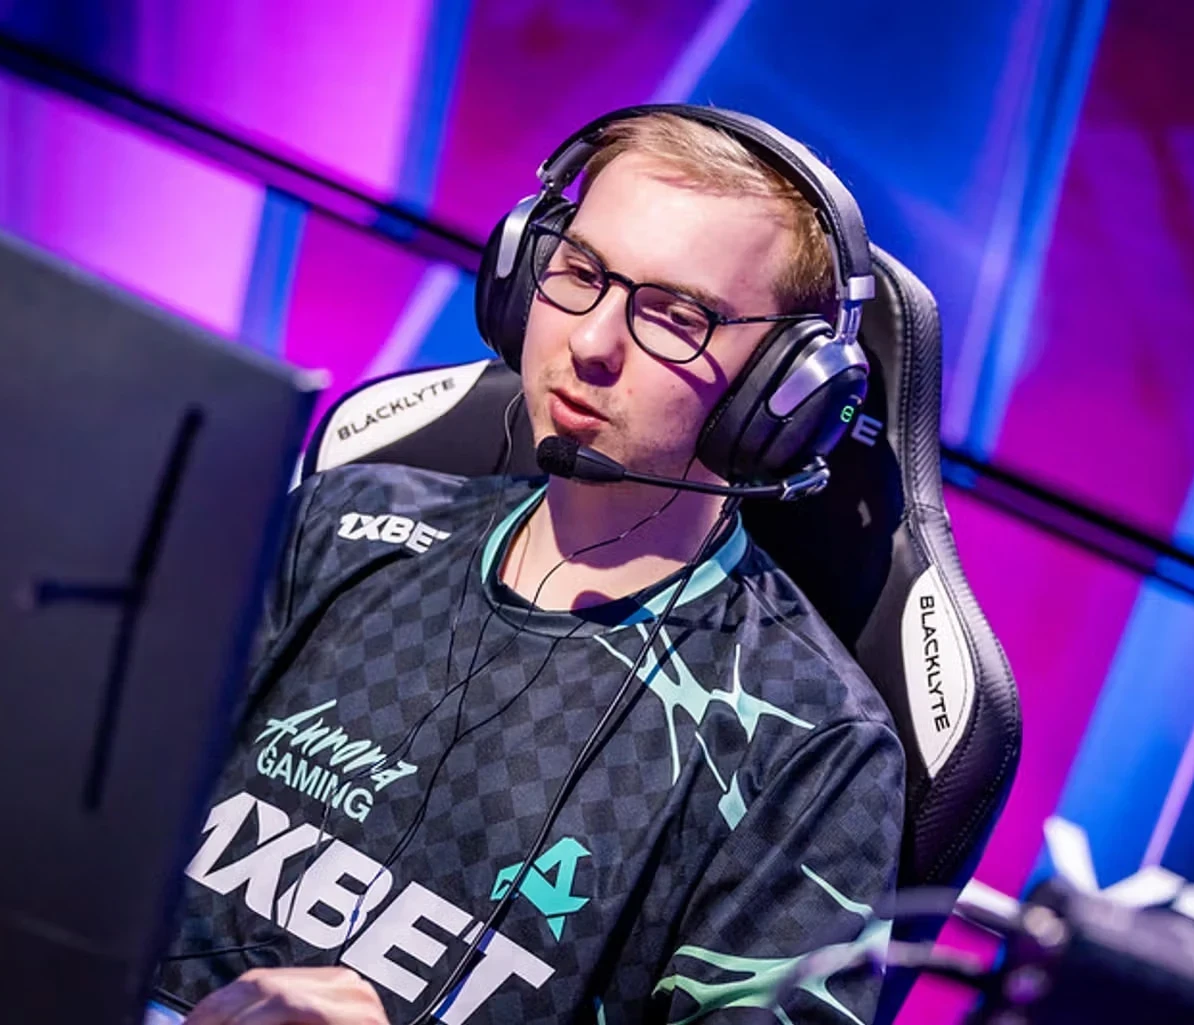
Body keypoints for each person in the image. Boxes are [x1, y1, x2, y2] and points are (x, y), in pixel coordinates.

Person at [154, 106, 906, 1025]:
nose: (591, 343)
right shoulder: (343, 525)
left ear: (781, 392)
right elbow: (89, 806)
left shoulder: (811, 744)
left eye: (675, 317)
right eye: (580, 274)